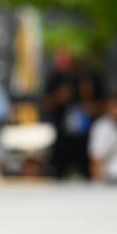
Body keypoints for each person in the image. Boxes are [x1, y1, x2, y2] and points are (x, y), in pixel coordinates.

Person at [43, 48, 104, 179]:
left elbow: (104, 104)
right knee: (59, 170)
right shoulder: (57, 77)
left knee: (86, 169)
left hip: (87, 136)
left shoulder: (93, 77)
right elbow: (45, 102)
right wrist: (59, 98)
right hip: (63, 134)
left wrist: (91, 105)